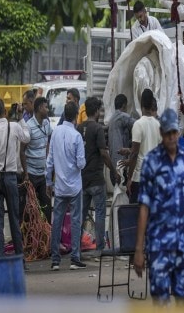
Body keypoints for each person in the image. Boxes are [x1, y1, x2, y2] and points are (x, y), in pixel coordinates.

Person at [134, 108, 184, 304]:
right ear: (161, 133)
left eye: (174, 133)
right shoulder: (151, 162)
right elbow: (144, 208)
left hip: (183, 244)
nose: (172, 138)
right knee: (160, 299)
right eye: (168, 134)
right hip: (158, 245)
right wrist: (139, 249)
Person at [0, 99, 30, 262]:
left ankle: (1, 258)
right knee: (14, 219)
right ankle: (19, 258)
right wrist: (21, 117)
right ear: (4, 111)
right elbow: (27, 138)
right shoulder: (15, 126)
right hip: (11, 177)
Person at [77, 97, 119, 261]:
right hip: (96, 179)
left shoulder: (80, 128)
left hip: (82, 179)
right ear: (96, 111)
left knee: (80, 215)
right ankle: (99, 249)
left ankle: (77, 249)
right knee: (100, 213)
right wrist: (114, 171)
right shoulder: (98, 129)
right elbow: (103, 153)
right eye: (100, 111)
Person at [46, 102, 86, 271]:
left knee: (57, 222)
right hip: (75, 186)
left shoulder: (55, 133)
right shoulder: (76, 136)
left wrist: (49, 181)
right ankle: (75, 258)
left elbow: (49, 161)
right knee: (76, 221)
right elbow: (81, 164)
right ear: (76, 115)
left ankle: (55, 259)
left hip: (60, 186)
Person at [121, 89, 161, 203]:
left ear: (141, 103)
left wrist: (129, 179)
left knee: (136, 215)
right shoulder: (158, 125)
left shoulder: (138, 125)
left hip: (140, 178)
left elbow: (134, 154)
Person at [21, 96, 52, 222]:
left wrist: (48, 160)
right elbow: (22, 151)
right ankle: (30, 238)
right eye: (46, 107)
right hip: (32, 175)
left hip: (43, 174)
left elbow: (49, 141)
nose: (48, 110)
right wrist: (26, 173)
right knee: (31, 208)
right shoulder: (28, 127)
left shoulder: (46, 124)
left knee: (47, 207)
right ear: (39, 108)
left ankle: (46, 237)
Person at [107, 94, 136, 180]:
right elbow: (138, 125)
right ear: (124, 105)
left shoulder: (111, 119)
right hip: (121, 166)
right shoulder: (122, 116)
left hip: (113, 164)